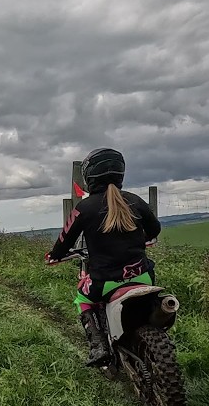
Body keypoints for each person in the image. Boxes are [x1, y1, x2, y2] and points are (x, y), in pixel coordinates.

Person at [45, 148, 161, 365]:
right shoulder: (135, 200)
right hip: (144, 277)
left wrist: (54, 255)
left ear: (89, 176)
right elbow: (154, 229)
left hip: (105, 282)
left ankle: (98, 346)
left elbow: (64, 240)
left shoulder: (85, 207)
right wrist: (142, 239)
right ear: (121, 173)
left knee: (82, 298)